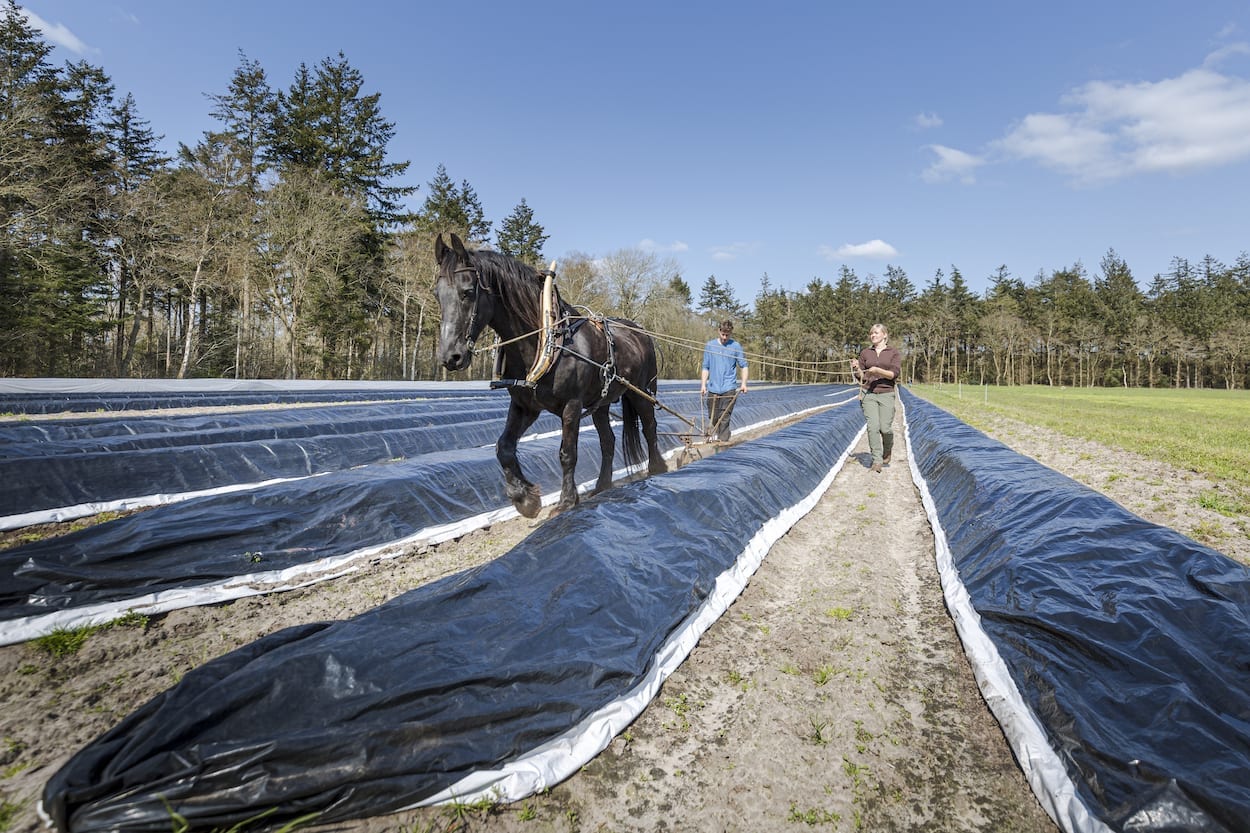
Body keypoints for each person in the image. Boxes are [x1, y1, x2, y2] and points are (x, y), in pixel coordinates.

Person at [850, 323, 902, 473]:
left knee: (885, 428)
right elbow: (861, 376)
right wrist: (856, 368)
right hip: (869, 393)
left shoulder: (893, 353)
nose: (873, 335)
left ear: (885, 335)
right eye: (871, 333)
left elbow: (894, 374)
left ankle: (887, 451)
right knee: (872, 427)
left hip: (886, 393)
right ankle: (877, 461)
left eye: (876, 333)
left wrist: (878, 370)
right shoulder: (865, 353)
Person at [700, 320, 749, 443]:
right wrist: (703, 385)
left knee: (724, 417)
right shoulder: (710, 345)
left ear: (731, 333)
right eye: (723, 334)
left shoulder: (736, 346)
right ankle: (715, 441)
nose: (725, 337)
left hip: (729, 387)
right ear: (719, 331)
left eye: (727, 335)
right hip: (713, 388)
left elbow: (744, 365)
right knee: (713, 417)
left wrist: (743, 384)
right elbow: (705, 367)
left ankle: (723, 444)